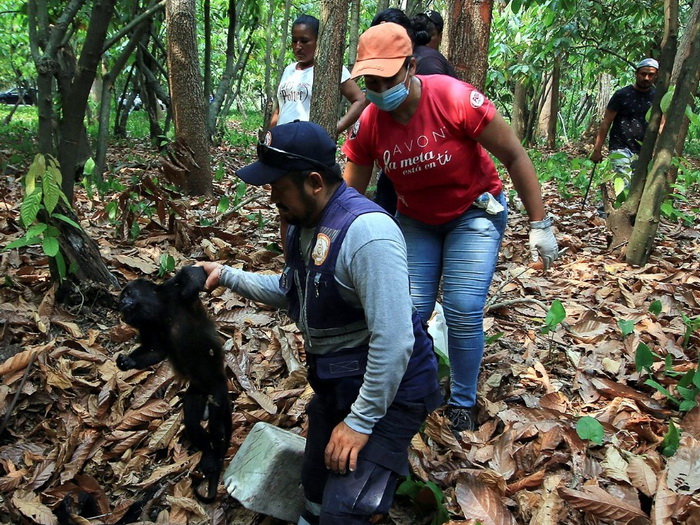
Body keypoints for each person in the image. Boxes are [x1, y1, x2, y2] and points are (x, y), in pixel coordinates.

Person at [198, 121, 441, 524]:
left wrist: (360, 424)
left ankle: (381, 465)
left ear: (313, 182)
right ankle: (373, 470)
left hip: (393, 391)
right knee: (312, 489)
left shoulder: (368, 235)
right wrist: (226, 275)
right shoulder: (302, 224)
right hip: (338, 383)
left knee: (345, 510)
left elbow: (396, 341)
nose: (271, 195)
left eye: (278, 185)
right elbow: (294, 289)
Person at [342, 23, 559, 434]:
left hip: (474, 211)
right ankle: (410, 388)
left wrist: (540, 224)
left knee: (461, 307)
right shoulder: (371, 122)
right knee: (408, 311)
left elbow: (514, 154)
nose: (378, 87)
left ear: (410, 67)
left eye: (386, 78)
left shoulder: (454, 98)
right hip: (417, 220)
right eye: (370, 80)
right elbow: (349, 195)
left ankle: (462, 398)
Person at [271, 14, 365, 135]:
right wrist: (270, 136)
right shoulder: (289, 70)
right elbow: (280, 109)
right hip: (281, 142)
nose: (298, 47)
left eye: (304, 41)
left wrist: (334, 129)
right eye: (294, 41)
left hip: (309, 145)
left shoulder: (331, 70)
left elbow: (360, 100)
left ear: (318, 40)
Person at [591, 58, 659, 177]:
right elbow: (606, 122)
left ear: (656, 76)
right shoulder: (622, 95)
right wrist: (597, 150)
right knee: (625, 183)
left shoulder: (656, 97)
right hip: (620, 147)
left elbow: (662, 124)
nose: (646, 78)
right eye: (643, 74)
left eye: (651, 75)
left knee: (637, 187)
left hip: (643, 150)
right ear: (636, 73)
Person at [411, 12, 456, 77]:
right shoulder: (424, 59)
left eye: (429, 36)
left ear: (440, 37)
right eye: (420, 34)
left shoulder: (429, 62)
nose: (423, 38)